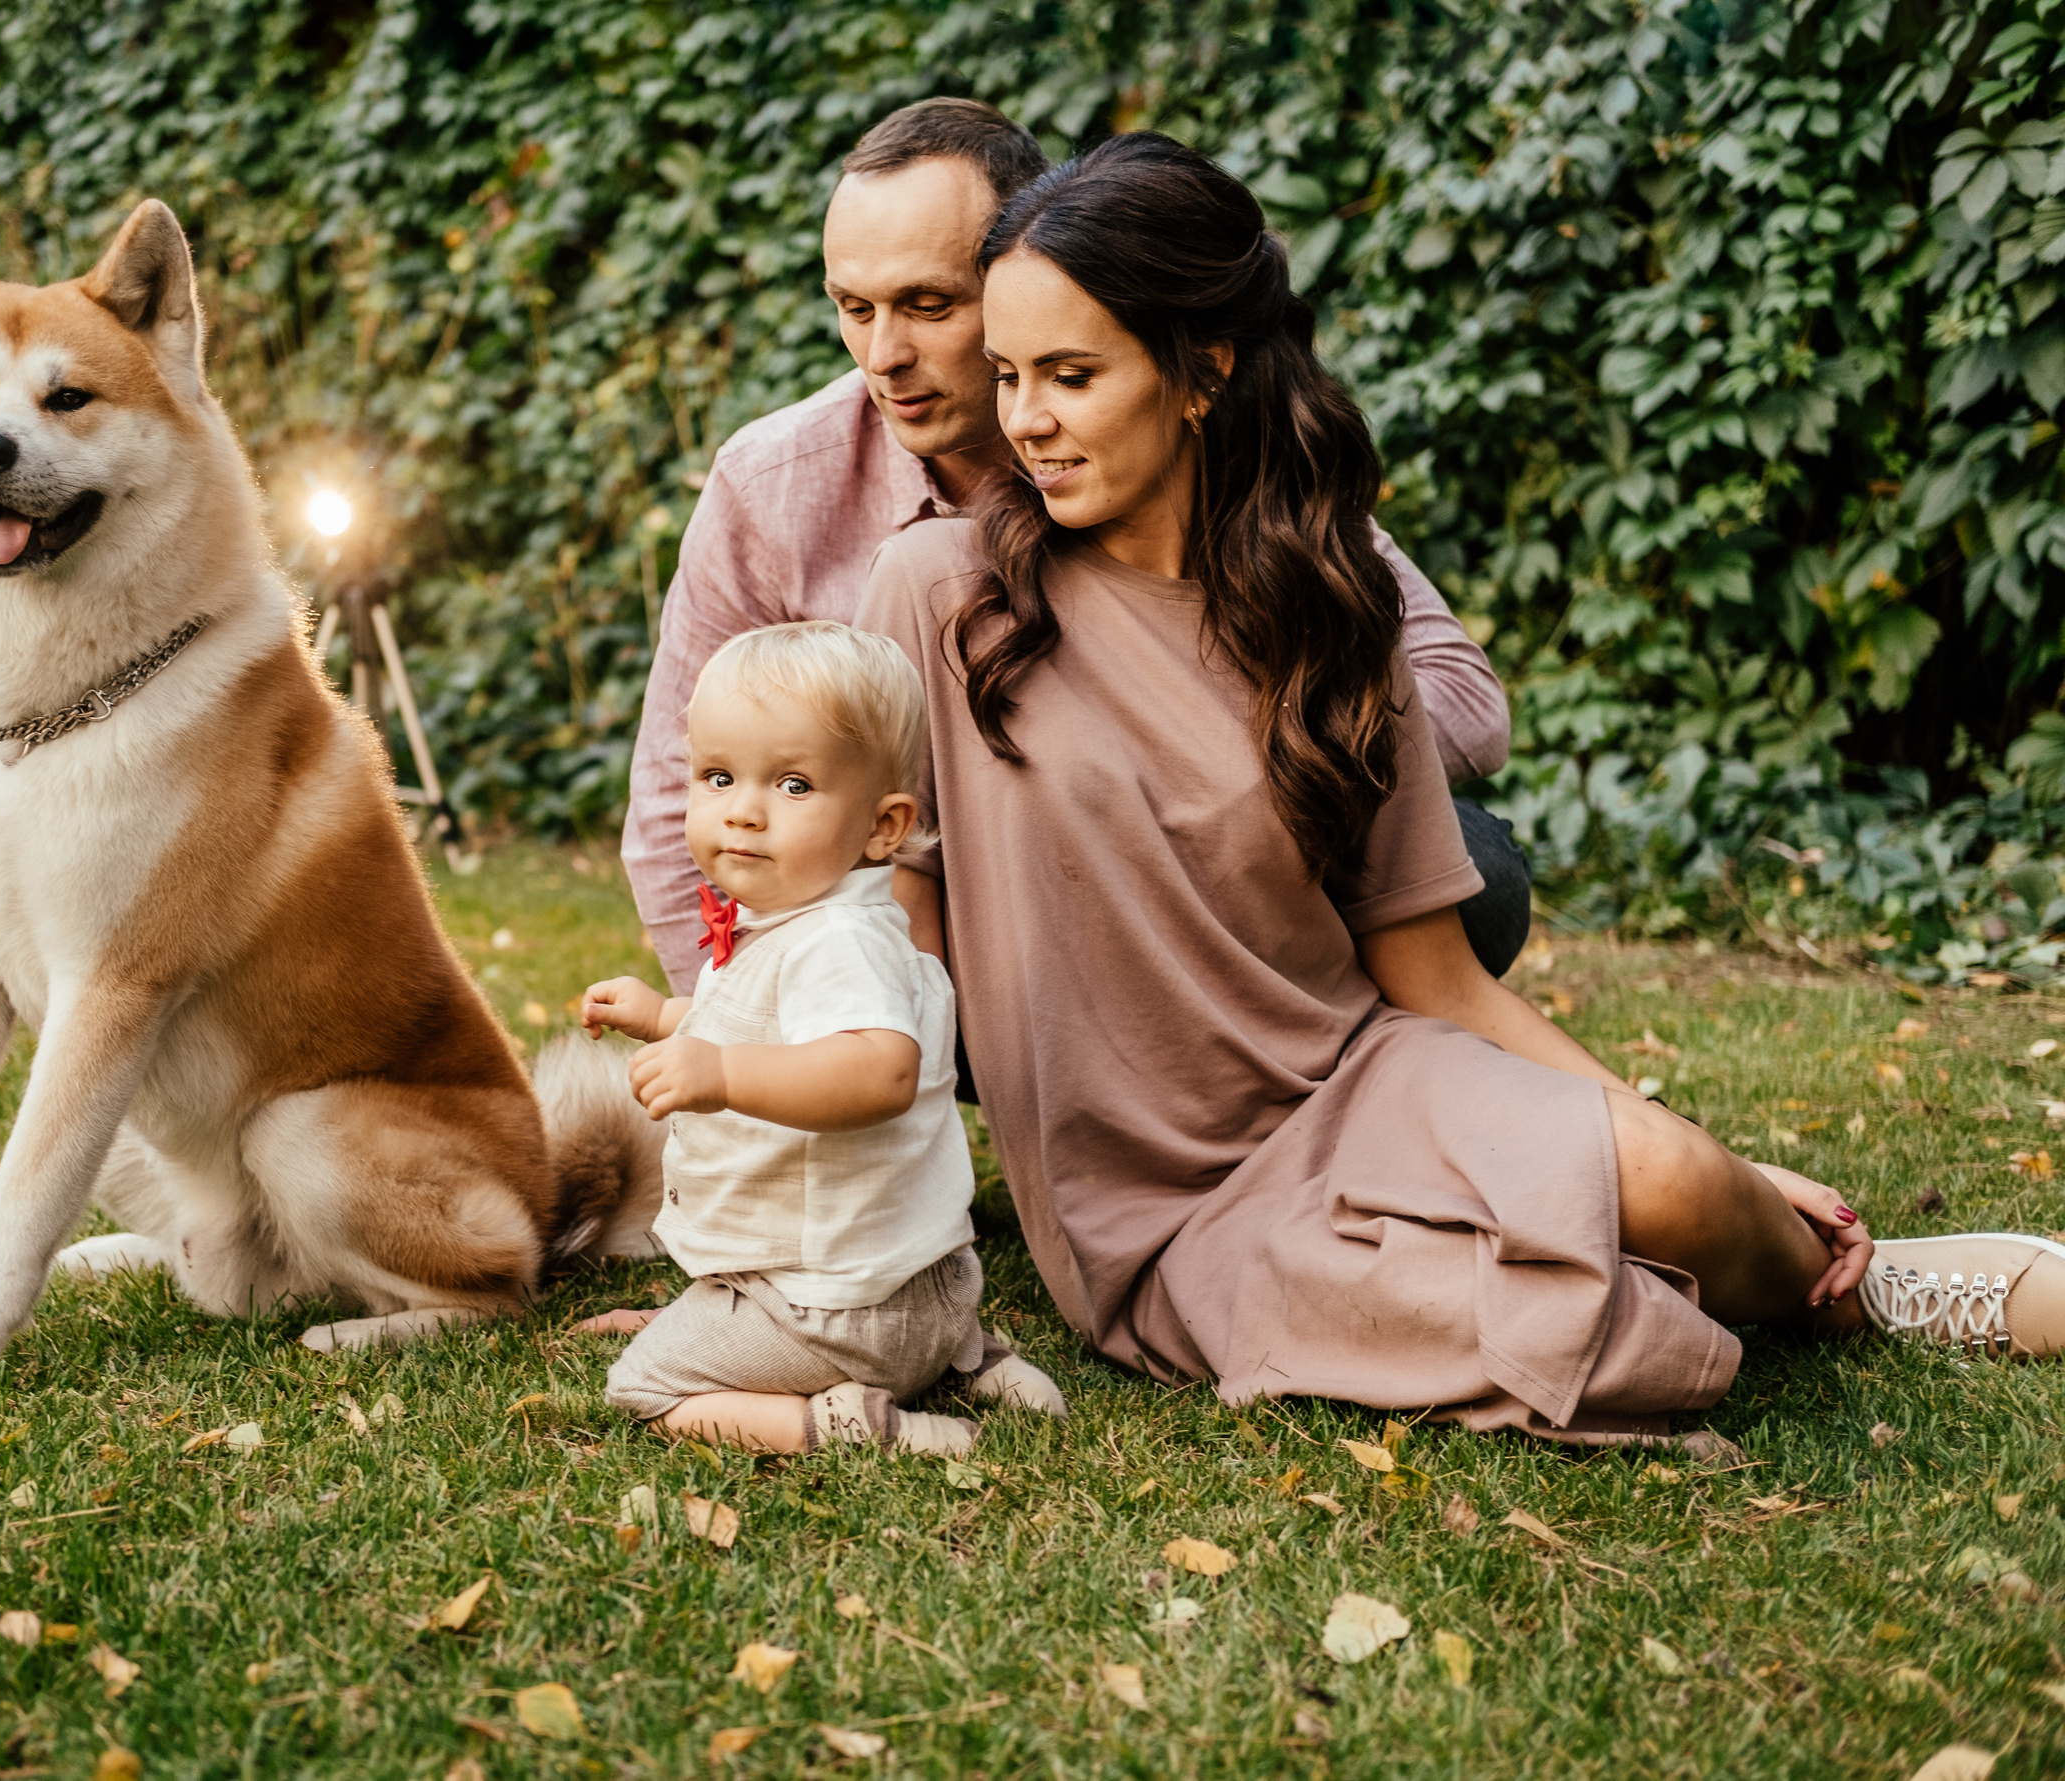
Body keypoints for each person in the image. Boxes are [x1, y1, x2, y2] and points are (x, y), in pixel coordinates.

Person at [853, 132, 2065, 1442]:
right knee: (1606, 1336)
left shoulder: (1328, 612)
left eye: (1072, 376)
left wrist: (1675, 1142)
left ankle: (1852, 1287)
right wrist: (839, 1268)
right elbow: (890, 960)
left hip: (1369, 1078)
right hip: (1163, 1212)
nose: (1024, 421)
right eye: (1011, 375)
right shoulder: (943, 597)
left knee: (1676, 1182)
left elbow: (1433, 975)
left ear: (1202, 371)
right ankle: (1679, 1267)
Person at [623, 97, 1528, 1004]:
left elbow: (1461, 697)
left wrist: (1197, 778)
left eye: (929, 306)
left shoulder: (1192, 448)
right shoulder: (775, 482)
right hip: (939, 930)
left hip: (1207, 912)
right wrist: (733, 1030)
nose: (883, 354)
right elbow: (675, 796)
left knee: (1472, 864)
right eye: (853, 308)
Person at [575, 622, 1067, 1454]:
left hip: (835, 1312)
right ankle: (978, 1364)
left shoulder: (839, 945)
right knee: (885, 1304)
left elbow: (878, 1073)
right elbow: (773, 1027)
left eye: (794, 784)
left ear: (884, 827)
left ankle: (853, 1424)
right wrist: (665, 1017)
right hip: (929, 1290)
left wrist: (723, 1073)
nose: (743, 810)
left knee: (643, 1383)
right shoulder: (825, 921)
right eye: (718, 776)